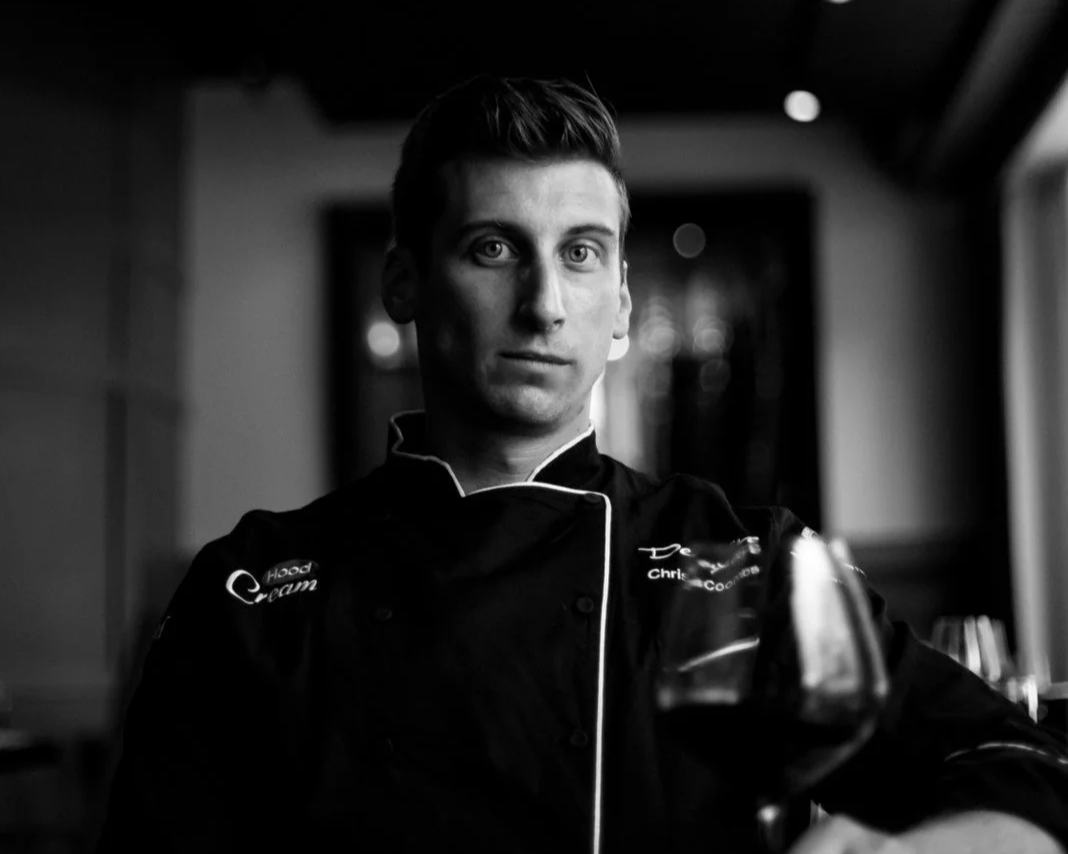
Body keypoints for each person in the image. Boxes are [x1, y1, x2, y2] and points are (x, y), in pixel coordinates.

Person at [98, 75, 1068, 854]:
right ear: (405, 282)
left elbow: (1013, 755)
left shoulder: (738, 566)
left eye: (582, 253)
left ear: (624, 305)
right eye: (493, 248)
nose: (545, 303)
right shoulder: (254, 593)